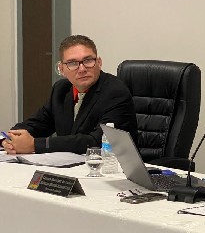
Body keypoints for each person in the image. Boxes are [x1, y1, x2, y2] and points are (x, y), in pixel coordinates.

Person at [2, 35, 137, 155]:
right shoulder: (61, 89)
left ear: (99, 62)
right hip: (72, 167)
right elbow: (37, 124)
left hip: (108, 169)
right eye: (72, 63)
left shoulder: (115, 92)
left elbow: (97, 141)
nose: (82, 69)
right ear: (61, 69)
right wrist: (10, 139)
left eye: (88, 60)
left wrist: (34, 145)